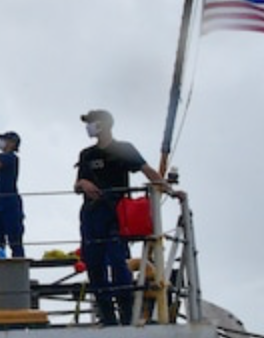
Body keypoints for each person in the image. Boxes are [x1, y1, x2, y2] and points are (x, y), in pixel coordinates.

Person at [73, 108, 183, 326]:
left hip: (116, 213)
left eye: (92, 122)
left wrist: (169, 190)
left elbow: (146, 170)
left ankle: (126, 314)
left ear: (103, 125)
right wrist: (83, 184)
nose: (89, 127)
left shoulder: (123, 149)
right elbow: (76, 185)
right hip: (91, 215)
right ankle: (107, 317)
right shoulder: (87, 155)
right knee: (94, 267)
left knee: (118, 262)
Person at [0, 131, 26, 258]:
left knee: (15, 240)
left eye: (4, 140)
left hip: (9, 204)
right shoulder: (2, 156)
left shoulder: (10, 158)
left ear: (12, 143)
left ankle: (18, 268)